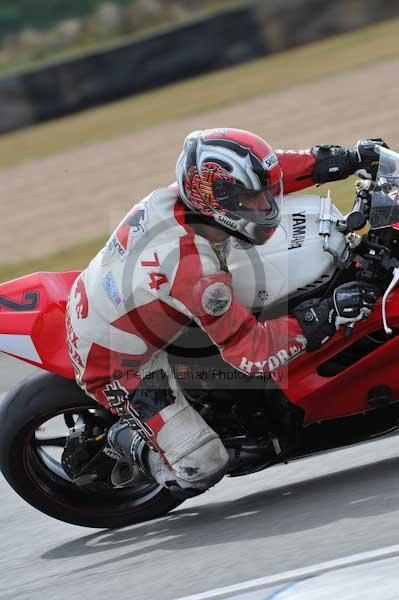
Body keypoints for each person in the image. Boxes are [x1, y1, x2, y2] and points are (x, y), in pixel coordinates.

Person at [65, 128, 382, 497]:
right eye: (254, 199)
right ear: (220, 201)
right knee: (203, 466)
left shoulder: (190, 199)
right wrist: (325, 315)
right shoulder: (197, 276)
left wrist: (344, 159)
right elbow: (253, 353)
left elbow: (272, 168)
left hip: (120, 300)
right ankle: (127, 439)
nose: (267, 206)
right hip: (118, 365)